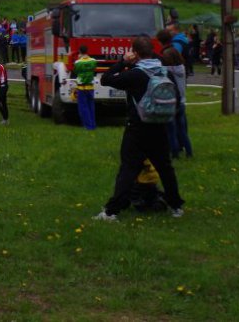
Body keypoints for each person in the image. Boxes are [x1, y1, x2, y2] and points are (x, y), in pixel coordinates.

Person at [94, 36, 184, 221]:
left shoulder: (135, 74)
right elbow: (175, 96)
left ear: (134, 53)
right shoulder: (164, 71)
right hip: (160, 126)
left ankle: (112, 211)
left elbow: (106, 79)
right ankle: (176, 206)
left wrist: (122, 62)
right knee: (165, 168)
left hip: (137, 128)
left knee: (128, 169)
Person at [158, 29, 192, 159]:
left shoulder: (167, 69)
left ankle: (174, 152)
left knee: (170, 130)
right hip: (182, 101)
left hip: (171, 101)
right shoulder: (181, 68)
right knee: (182, 130)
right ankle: (189, 151)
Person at [73, 45, 98, 131]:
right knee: (91, 106)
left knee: (83, 108)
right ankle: (93, 125)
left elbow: (76, 71)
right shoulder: (93, 61)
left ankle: (88, 126)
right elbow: (94, 69)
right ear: (87, 51)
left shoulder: (77, 62)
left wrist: (79, 59)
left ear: (79, 51)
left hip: (81, 88)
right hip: (90, 87)